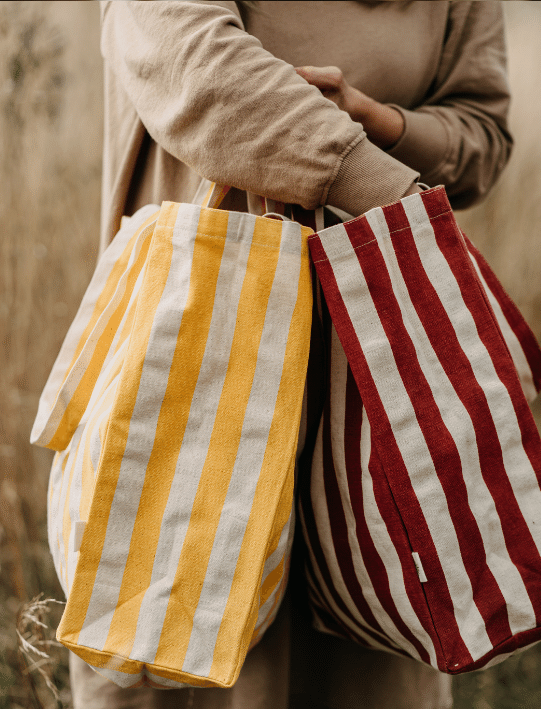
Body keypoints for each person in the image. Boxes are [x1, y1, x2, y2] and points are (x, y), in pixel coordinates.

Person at [70, 2, 512, 707]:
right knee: (180, 632)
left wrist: (381, 120)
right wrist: (393, 196)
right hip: (197, 367)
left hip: (370, 381)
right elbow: (200, 73)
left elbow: (481, 136)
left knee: (369, 655)